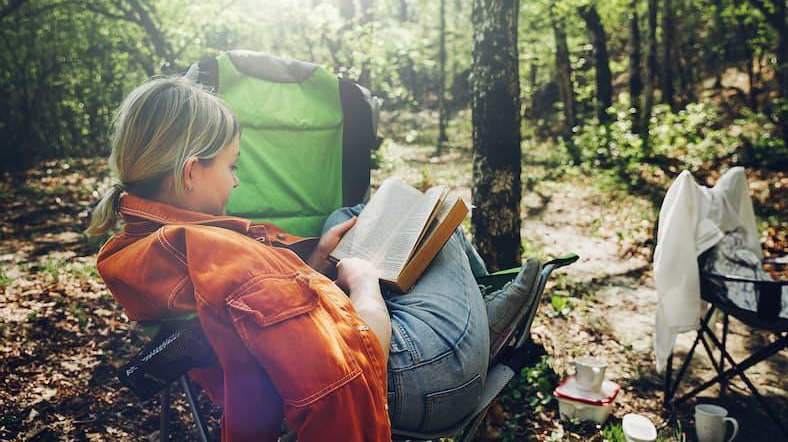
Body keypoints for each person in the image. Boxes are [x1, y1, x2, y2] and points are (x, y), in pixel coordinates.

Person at [87, 76, 538, 440]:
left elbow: (270, 325)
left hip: (367, 349)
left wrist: (316, 261)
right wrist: (363, 286)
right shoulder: (230, 263)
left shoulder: (143, 247)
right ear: (189, 172)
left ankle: (474, 313)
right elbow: (348, 380)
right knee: (437, 215)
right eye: (231, 165)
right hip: (424, 373)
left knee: (350, 214)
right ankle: (483, 320)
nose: (237, 182)